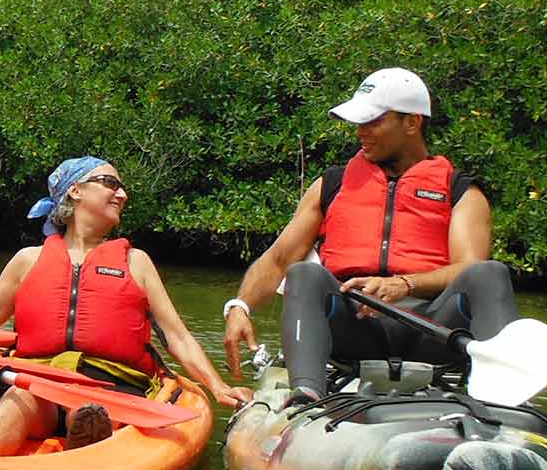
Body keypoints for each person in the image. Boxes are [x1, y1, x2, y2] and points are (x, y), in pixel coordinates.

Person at [220, 68, 518, 407]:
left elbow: (467, 269)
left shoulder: (460, 190)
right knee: (303, 273)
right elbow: (278, 260)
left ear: (412, 123)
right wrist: (239, 307)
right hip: (353, 327)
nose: (361, 131)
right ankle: (306, 396)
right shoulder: (331, 185)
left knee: (490, 273)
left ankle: (504, 405)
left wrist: (404, 284)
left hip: (432, 329)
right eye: (359, 122)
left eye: (374, 121)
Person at [0, 157, 252, 455]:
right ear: (76, 191)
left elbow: (176, 337)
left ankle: (86, 443)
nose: (122, 194)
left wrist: (217, 386)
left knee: (90, 409)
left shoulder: (136, 262)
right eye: (110, 183)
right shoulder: (27, 261)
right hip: (37, 379)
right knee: (18, 399)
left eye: (121, 187)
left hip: (111, 385)